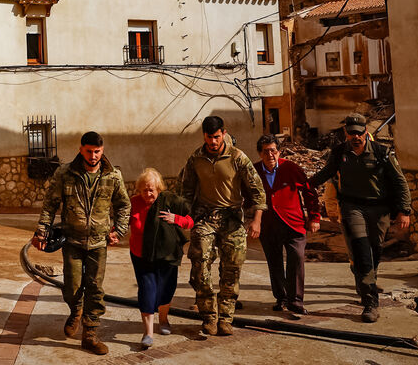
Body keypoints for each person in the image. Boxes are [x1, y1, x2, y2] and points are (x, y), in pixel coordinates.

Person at [33, 131, 131, 355]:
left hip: (99, 242)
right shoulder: (65, 173)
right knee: (72, 287)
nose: (94, 156)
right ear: (81, 149)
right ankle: (75, 309)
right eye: (89, 151)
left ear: (102, 150)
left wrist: (120, 230)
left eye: (97, 151)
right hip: (72, 241)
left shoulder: (113, 176)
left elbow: (124, 206)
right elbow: (50, 205)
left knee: (95, 288)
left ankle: (90, 334)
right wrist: (41, 231)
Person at [309, 114, 411, 323]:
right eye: (351, 132)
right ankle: (370, 302)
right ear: (345, 133)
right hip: (352, 207)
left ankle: (363, 277)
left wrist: (404, 211)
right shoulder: (339, 153)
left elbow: (400, 183)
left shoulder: (382, 153)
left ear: (366, 132)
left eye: (359, 132)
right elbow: (325, 174)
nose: (355, 136)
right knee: (361, 247)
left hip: (378, 209)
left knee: (374, 251)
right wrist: (302, 184)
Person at [178, 116, 266, 336]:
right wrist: (183, 219)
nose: (214, 142)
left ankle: (226, 318)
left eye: (217, 137)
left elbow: (257, 191)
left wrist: (256, 220)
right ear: (204, 136)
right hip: (205, 218)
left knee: (232, 269)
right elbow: (186, 191)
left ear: (224, 133)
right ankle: (208, 316)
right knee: (199, 268)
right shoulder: (196, 158)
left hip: (231, 219)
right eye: (210, 137)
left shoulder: (238, 157)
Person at [254, 134, 320, 316]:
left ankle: (296, 300)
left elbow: (309, 192)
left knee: (296, 258)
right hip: (268, 226)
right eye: (266, 152)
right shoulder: (254, 171)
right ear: (260, 154)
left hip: (293, 223)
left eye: (273, 151)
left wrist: (314, 217)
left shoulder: (291, 168)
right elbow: (247, 196)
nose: (270, 155)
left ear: (279, 151)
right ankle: (281, 297)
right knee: (274, 262)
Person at [128, 168, 193, 348]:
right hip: (141, 255)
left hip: (167, 255)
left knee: (166, 289)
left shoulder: (171, 201)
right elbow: (121, 221)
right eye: (144, 190)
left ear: (159, 189)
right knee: (147, 290)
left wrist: (177, 219)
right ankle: (147, 333)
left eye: (152, 190)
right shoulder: (133, 202)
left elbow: (192, 219)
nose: (148, 193)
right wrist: (114, 234)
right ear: (139, 190)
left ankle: (163, 320)